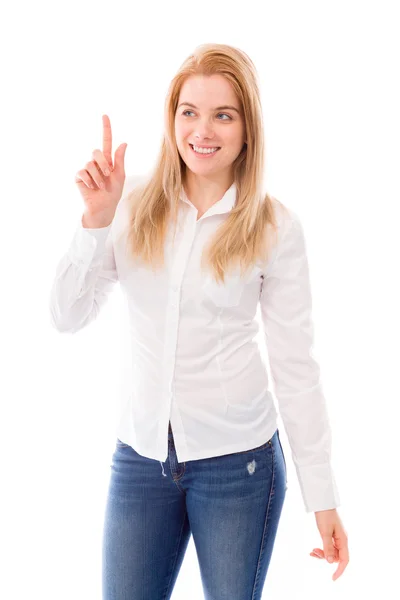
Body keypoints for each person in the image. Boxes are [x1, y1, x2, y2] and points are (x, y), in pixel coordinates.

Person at [49, 43, 349, 598]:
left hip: (240, 469)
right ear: (172, 118)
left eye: (223, 115)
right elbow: (66, 316)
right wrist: (95, 221)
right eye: (189, 111)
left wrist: (322, 495)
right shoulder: (131, 200)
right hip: (140, 460)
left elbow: (295, 365)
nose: (202, 131)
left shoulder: (276, 227)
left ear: (246, 127)